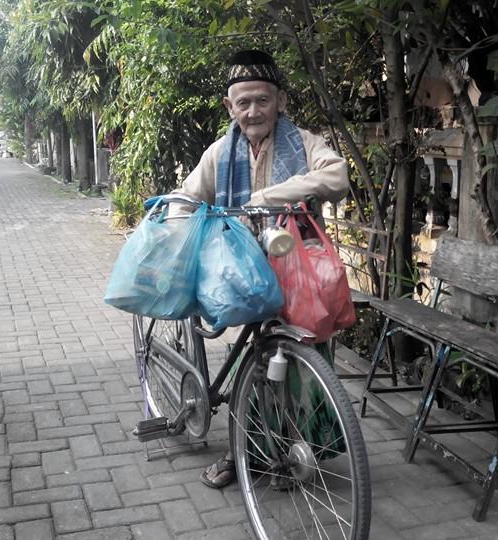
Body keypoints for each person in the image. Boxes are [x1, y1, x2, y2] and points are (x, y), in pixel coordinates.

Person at [175, 49, 349, 489]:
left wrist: (271, 196)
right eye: (244, 102)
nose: (253, 111)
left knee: (304, 361)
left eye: (263, 100)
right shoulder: (220, 152)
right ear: (229, 108)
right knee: (251, 361)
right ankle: (243, 453)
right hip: (244, 273)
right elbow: (188, 197)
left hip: (299, 271)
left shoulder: (306, 142)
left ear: (281, 102)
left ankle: (296, 452)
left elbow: (337, 177)